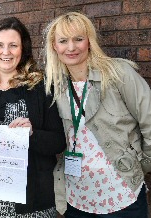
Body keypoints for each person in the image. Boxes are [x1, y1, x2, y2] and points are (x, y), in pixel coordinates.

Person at [43, 12, 151, 217]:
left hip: (123, 195)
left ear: (89, 42)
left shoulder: (118, 74)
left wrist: (142, 163)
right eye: (63, 41)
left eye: (78, 39)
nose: (71, 47)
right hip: (77, 199)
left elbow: (149, 119)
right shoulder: (55, 87)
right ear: (55, 47)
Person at [0, 17, 66, 217]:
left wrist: (32, 134)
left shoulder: (41, 87)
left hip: (30, 205)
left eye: (13, 45)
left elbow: (59, 141)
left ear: (22, 48)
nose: (5, 52)